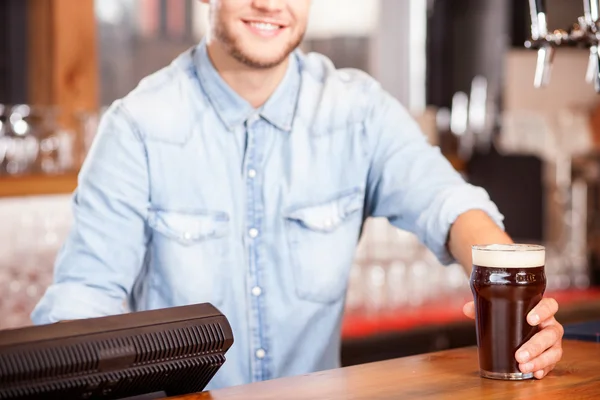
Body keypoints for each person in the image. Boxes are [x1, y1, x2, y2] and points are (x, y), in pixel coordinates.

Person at [32, 0, 563, 391]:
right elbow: (85, 297)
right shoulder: (137, 126)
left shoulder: (357, 111)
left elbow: (450, 204)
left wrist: (521, 300)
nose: (270, 4)